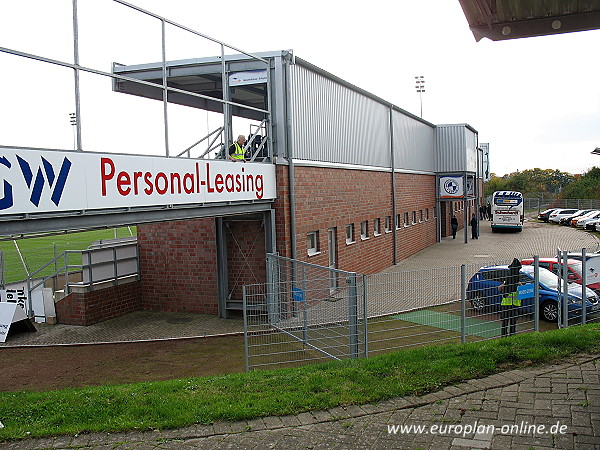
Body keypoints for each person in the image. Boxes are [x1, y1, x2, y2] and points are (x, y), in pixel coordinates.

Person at [499, 258, 522, 337]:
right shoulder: (515, 280)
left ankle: (507, 336)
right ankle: (507, 336)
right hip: (510, 304)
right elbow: (500, 288)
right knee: (509, 323)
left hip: (511, 304)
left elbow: (500, 288)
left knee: (509, 323)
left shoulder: (516, 281)